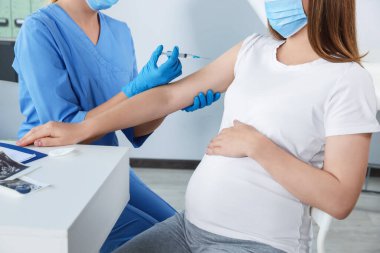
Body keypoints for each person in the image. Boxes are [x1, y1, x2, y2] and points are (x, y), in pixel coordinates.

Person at [18, 0, 380, 252]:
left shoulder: (346, 80)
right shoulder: (252, 49)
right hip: (188, 228)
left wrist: (259, 146)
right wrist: (81, 128)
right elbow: (167, 98)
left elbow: (341, 199)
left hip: (256, 242)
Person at [12, 0, 220, 252]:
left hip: (107, 168)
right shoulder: (39, 30)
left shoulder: (120, 32)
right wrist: (134, 90)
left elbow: (135, 128)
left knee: (184, 233)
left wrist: (169, 102)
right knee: (168, 246)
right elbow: (64, 131)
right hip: (56, 171)